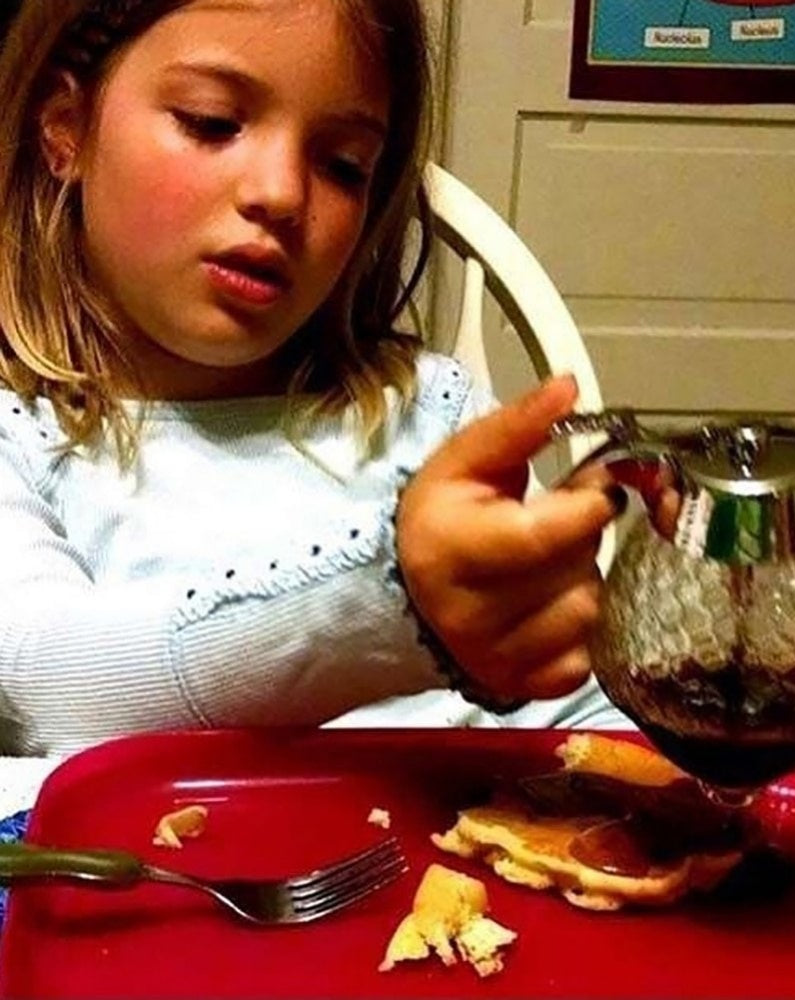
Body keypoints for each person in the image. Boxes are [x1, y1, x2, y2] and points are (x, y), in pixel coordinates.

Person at [0, 0, 631, 756]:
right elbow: (48, 683)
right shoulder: (17, 437)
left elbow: (582, 714)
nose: (282, 193)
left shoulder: (429, 416)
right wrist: (400, 605)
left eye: (343, 166)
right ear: (65, 128)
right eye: (211, 123)